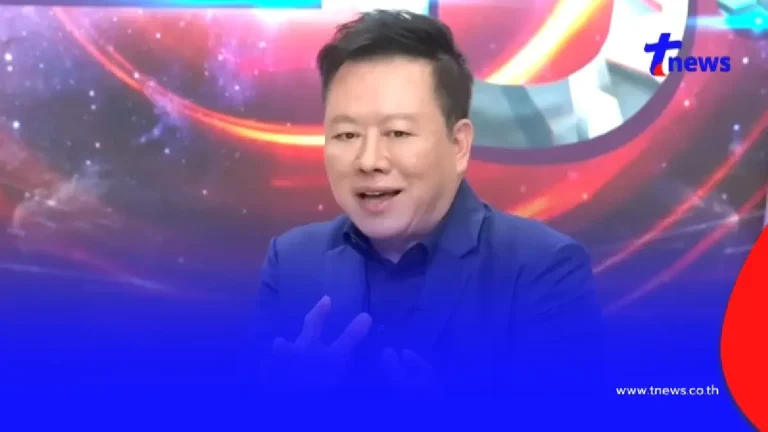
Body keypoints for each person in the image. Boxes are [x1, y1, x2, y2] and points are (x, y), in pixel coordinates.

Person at [253, 9, 603, 401]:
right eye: (347, 134)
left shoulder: (543, 269)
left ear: (459, 144)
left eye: (398, 133)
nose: (369, 160)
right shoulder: (292, 261)